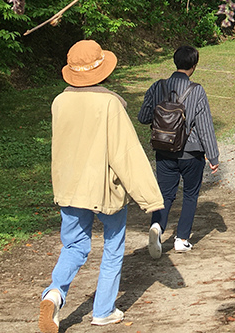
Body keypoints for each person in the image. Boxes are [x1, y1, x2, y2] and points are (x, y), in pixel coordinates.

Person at [38, 39, 164, 333]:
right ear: (103, 70)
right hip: (104, 188)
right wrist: (151, 199)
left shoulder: (59, 101)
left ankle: (54, 294)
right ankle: (104, 310)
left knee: (73, 246)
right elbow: (126, 153)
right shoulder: (110, 104)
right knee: (112, 247)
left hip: (69, 187)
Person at [137, 45, 219, 257]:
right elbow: (205, 125)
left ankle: (157, 227)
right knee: (190, 194)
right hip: (191, 153)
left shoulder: (157, 87)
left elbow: (143, 117)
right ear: (193, 66)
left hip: (163, 150)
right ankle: (182, 239)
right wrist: (213, 155)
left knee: (164, 195)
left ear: (175, 62)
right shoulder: (197, 91)